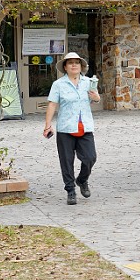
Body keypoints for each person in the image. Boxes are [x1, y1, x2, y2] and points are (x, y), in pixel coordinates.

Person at [43, 52, 100, 205]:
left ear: (81, 66)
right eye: (70, 63)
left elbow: (96, 98)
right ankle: (70, 191)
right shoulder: (58, 84)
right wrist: (48, 124)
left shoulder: (88, 82)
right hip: (66, 128)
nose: (74, 65)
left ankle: (82, 180)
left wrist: (96, 98)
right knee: (66, 161)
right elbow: (52, 104)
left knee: (90, 158)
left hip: (85, 127)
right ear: (65, 67)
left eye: (77, 62)